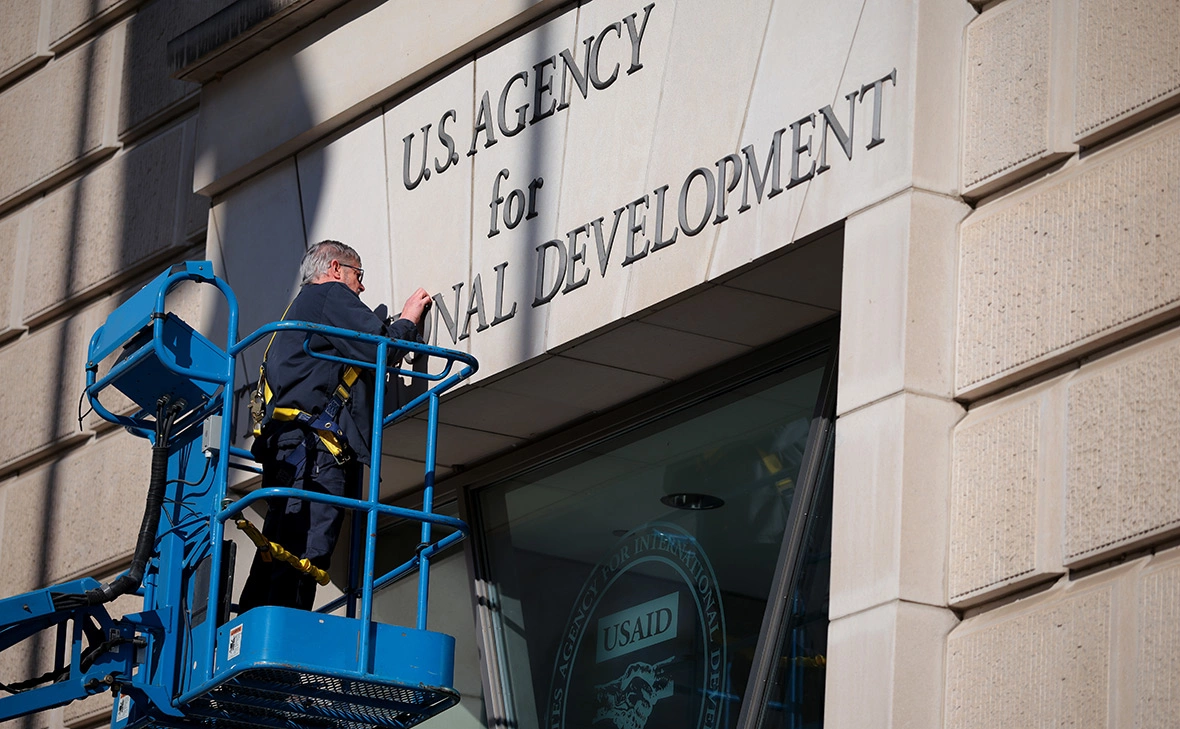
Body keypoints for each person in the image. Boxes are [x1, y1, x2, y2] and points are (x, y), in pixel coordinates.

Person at [238, 240, 431, 612]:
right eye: (359, 276)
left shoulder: (295, 316)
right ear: (336, 270)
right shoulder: (328, 296)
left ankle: (251, 639)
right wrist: (407, 320)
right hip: (315, 455)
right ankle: (284, 649)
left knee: (275, 551)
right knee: (304, 555)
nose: (362, 287)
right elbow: (381, 349)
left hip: (289, 453)